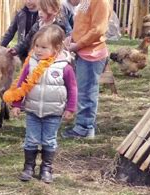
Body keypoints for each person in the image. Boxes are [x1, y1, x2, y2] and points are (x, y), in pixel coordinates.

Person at [3, 25, 78, 183]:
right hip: (33, 110)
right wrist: (16, 104)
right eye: (36, 46)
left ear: (56, 48)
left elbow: (72, 88)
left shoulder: (65, 67)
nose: (38, 50)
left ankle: (46, 168)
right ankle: (28, 167)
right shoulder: (30, 64)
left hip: (54, 112)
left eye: (44, 47)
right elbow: (21, 84)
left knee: (49, 140)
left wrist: (70, 108)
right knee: (31, 139)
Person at [62, 0, 110, 139]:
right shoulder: (86, 1)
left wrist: (78, 45)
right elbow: (82, 25)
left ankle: (85, 129)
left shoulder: (100, 1)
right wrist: (72, 38)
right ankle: (84, 124)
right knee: (83, 91)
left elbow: (98, 29)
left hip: (92, 53)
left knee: (87, 93)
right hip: (84, 51)